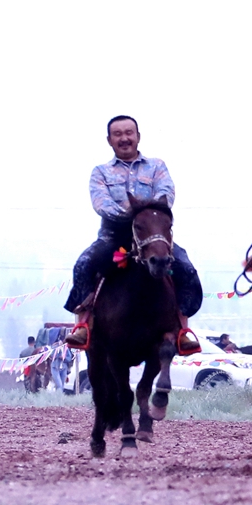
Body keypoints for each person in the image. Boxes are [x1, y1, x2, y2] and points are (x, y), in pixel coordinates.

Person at [63, 115, 203, 347]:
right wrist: (130, 216)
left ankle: (182, 329)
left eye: (129, 133)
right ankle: (84, 326)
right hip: (113, 236)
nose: (124, 138)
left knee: (185, 267)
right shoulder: (100, 172)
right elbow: (101, 203)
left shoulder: (157, 166)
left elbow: (166, 193)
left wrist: (145, 216)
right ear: (109, 140)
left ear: (138, 136)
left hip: (152, 235)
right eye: (117, 134)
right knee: (83, 265)